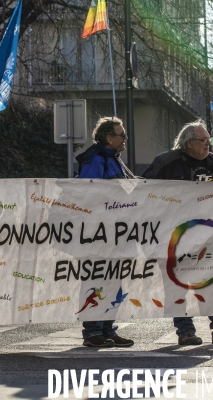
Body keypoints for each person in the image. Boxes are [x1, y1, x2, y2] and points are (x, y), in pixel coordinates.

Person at [142, 119, 213, 346]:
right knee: (176, 285)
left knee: (211, 282)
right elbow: (142, 192)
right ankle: (185, 331)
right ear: (188, 143)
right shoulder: (165, 162)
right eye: (203, 141)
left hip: (205, 235)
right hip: (171, 237)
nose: (207, 145)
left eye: (208, 141)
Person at [74, 116, 135, 348]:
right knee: (96, 281)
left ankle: (108, 329)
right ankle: (92, 332)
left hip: (114, 233)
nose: (125, 139)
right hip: (98, 234)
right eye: (122, 135)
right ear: (109, 138)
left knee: (112, 281)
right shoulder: (95, 159)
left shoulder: (114, 159)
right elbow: (89, 194)